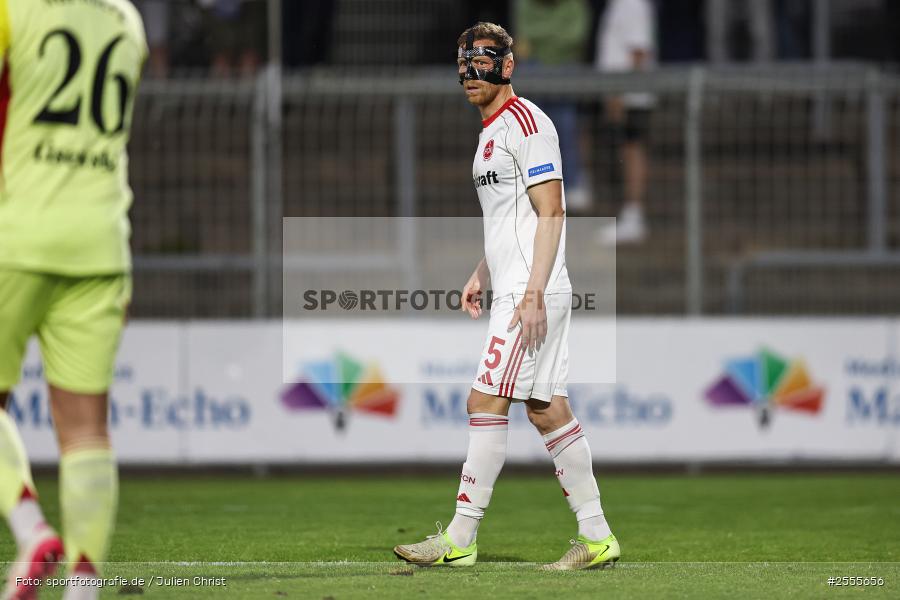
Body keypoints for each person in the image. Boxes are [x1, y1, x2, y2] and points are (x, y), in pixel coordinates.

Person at [393, 22, 619, 571]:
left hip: (529, 293)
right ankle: (597, 537)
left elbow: (552, 210)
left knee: (484, 402)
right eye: (464, 63)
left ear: (507, 65)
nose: (471, 73)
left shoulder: (528, 124)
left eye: (483, 61)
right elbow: (511, 220)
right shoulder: (490, 133)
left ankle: (459, 538)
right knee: (547, 411)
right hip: (517, 284)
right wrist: (482, 270)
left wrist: (533, 292)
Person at [0, 1, 146, 598]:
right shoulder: (127, 21)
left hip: (17, 231)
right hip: (101, 244)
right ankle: (83, 589)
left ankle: (31, 529)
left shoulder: (15, 9)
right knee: (86, 431)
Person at [515, 0, 592, 211]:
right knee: (531, 131)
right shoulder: (524, 4)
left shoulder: (574, 5)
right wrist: (555, 34)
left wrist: (541, 36)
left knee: (566, 126)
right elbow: (523, 42)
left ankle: (573, 183)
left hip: (566, 70)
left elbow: (575, 36)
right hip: (534, 72)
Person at [594, 0, 656, 245]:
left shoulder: (632, 4)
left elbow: (639, 52)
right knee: (626, 150)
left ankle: (634, 215)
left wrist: (619, 93)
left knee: (633, 150)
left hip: (632, 96)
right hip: (624, 94)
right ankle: (628, 213)